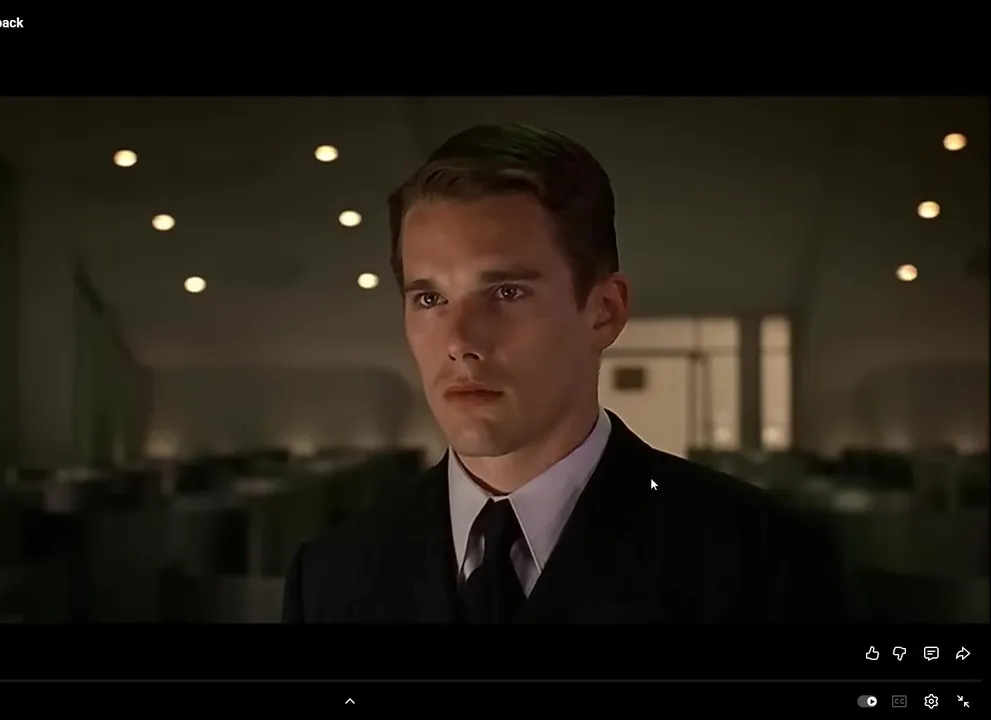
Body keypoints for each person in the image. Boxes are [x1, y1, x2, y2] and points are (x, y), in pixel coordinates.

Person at [281, 124, 847, 624]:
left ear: (604, 312)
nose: (460, 343)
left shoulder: (765, 561)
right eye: (430, 299)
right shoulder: (330, 573)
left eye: (506, 292)